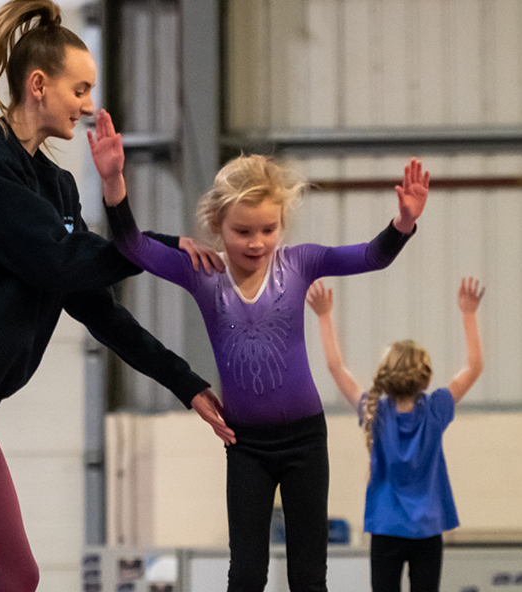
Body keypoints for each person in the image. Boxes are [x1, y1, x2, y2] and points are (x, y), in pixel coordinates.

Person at [0, 1, 232, 590]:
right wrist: (158, 246)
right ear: (38, 85)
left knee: (16, 573)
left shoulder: (57, 187)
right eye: (80, 89)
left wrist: (185, 382)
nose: (90, 105)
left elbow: (97, 306)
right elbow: (64, 260)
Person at [90, 108, 428, 592]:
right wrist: (113, 181)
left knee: (308, 577)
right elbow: (129, 245)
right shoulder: (202, 272)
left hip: (306, 443)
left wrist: (403, 222)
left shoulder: (300, 263)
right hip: (245, 445)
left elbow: (371, 257)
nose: (256, 242)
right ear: (216, 225)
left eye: (268, 230)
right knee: (245, 575)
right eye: (242, 231)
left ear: (282, 225)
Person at [306, 276, 484, 592]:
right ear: (425, 380)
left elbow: (336, 368)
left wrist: (324, 316)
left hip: (386, 528)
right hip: (427, 530)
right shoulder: (436, 409)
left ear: (386, 376)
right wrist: (468, 314)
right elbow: (474, 367)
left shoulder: (375, 412)